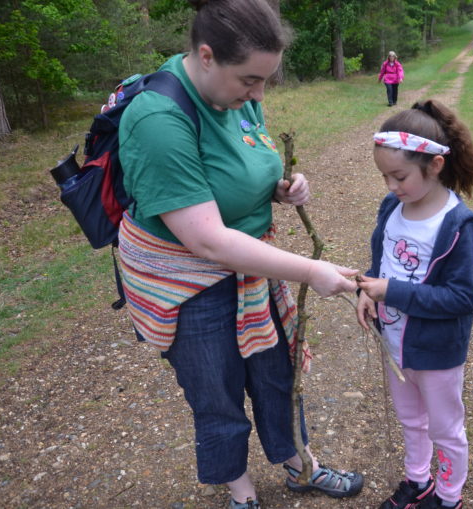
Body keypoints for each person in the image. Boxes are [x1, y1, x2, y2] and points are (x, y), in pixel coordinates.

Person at [116, 1, 364, 508]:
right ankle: (241, 493)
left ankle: (299, 465)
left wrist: (278, 188)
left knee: (276, 373)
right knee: (217, 391)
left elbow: (239, 166)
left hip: (249, 267)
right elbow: (206, 239)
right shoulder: (157, 118)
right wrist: (312, 270)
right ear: (206, 56)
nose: (258, 94)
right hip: (187, 278)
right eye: (250, 80)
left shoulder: (236, 93)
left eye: (265, 81)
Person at [356, 100, 473, 509]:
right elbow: (381, 264)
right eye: (384, 177)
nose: (391, 186)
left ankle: (448, 498)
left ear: (434, 166)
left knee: (445, 429)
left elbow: (461, 298)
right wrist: (365, 290)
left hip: (437, 352)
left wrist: (389, 291)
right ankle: (418, 480)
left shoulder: (457, 224)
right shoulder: (392, 208)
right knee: (411, 420)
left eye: (400, 176)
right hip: (397, 344)